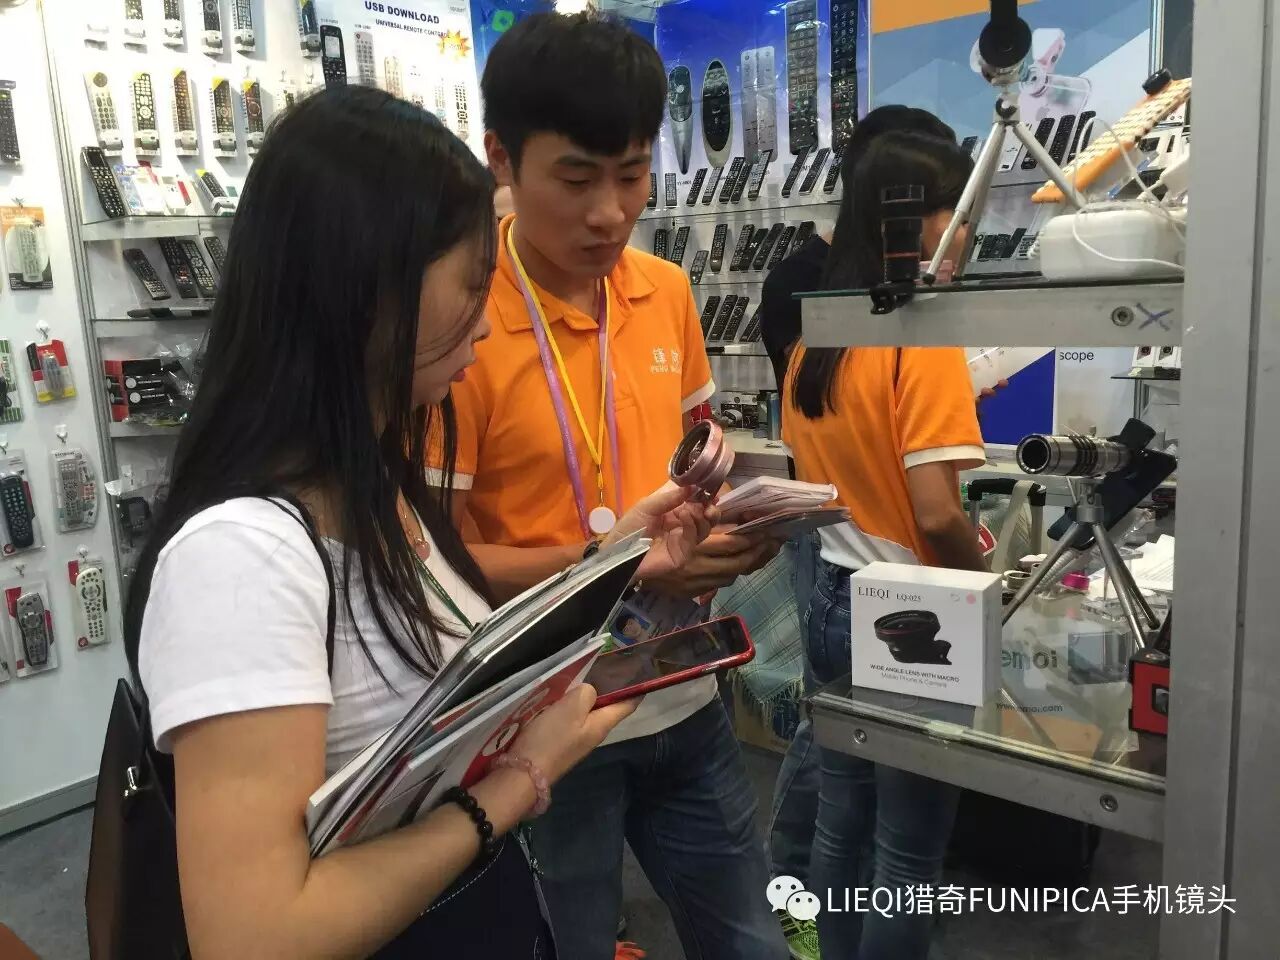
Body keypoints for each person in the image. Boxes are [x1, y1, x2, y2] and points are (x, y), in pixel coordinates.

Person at [123, 86, 718, 960]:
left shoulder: (377, 488)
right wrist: (515, 786)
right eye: (472, 283)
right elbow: (255, 936)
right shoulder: (239, 560)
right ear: (367, 288)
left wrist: (612, 558)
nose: (486, 315)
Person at [436, 12, 787, 960]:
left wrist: (724, 524)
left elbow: (696, 454)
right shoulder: (459, 321)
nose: (609, 213)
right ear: (502, 158)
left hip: (681, 687)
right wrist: (614, 565)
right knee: (569, 944)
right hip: (536, 722)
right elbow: (432, 562)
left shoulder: (665, 290)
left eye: (632, 175)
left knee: (752, 939)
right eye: (576, 179)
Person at [783, 129, 988, 959]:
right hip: (915, 608)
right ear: (920, 223)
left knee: (841, 823)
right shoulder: (921, 343)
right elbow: (937, 515)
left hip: (831, 590)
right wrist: (986, 585)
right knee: (907, 850)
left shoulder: (817, 343)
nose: (966, 233)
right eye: (959, 214)